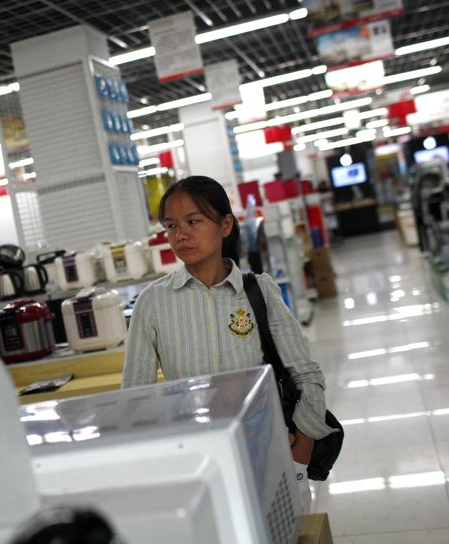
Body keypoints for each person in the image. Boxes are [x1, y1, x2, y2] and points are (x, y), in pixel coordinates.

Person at [122, 176, 336, 511]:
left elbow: (307, 377)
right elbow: (136, 399)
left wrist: (299, 454)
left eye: (193, 221)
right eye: (171, 225)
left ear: (225, 225)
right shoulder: (152, 303)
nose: (180, 235)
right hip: (197, 465)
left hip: (271, 456)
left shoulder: (260, 291)